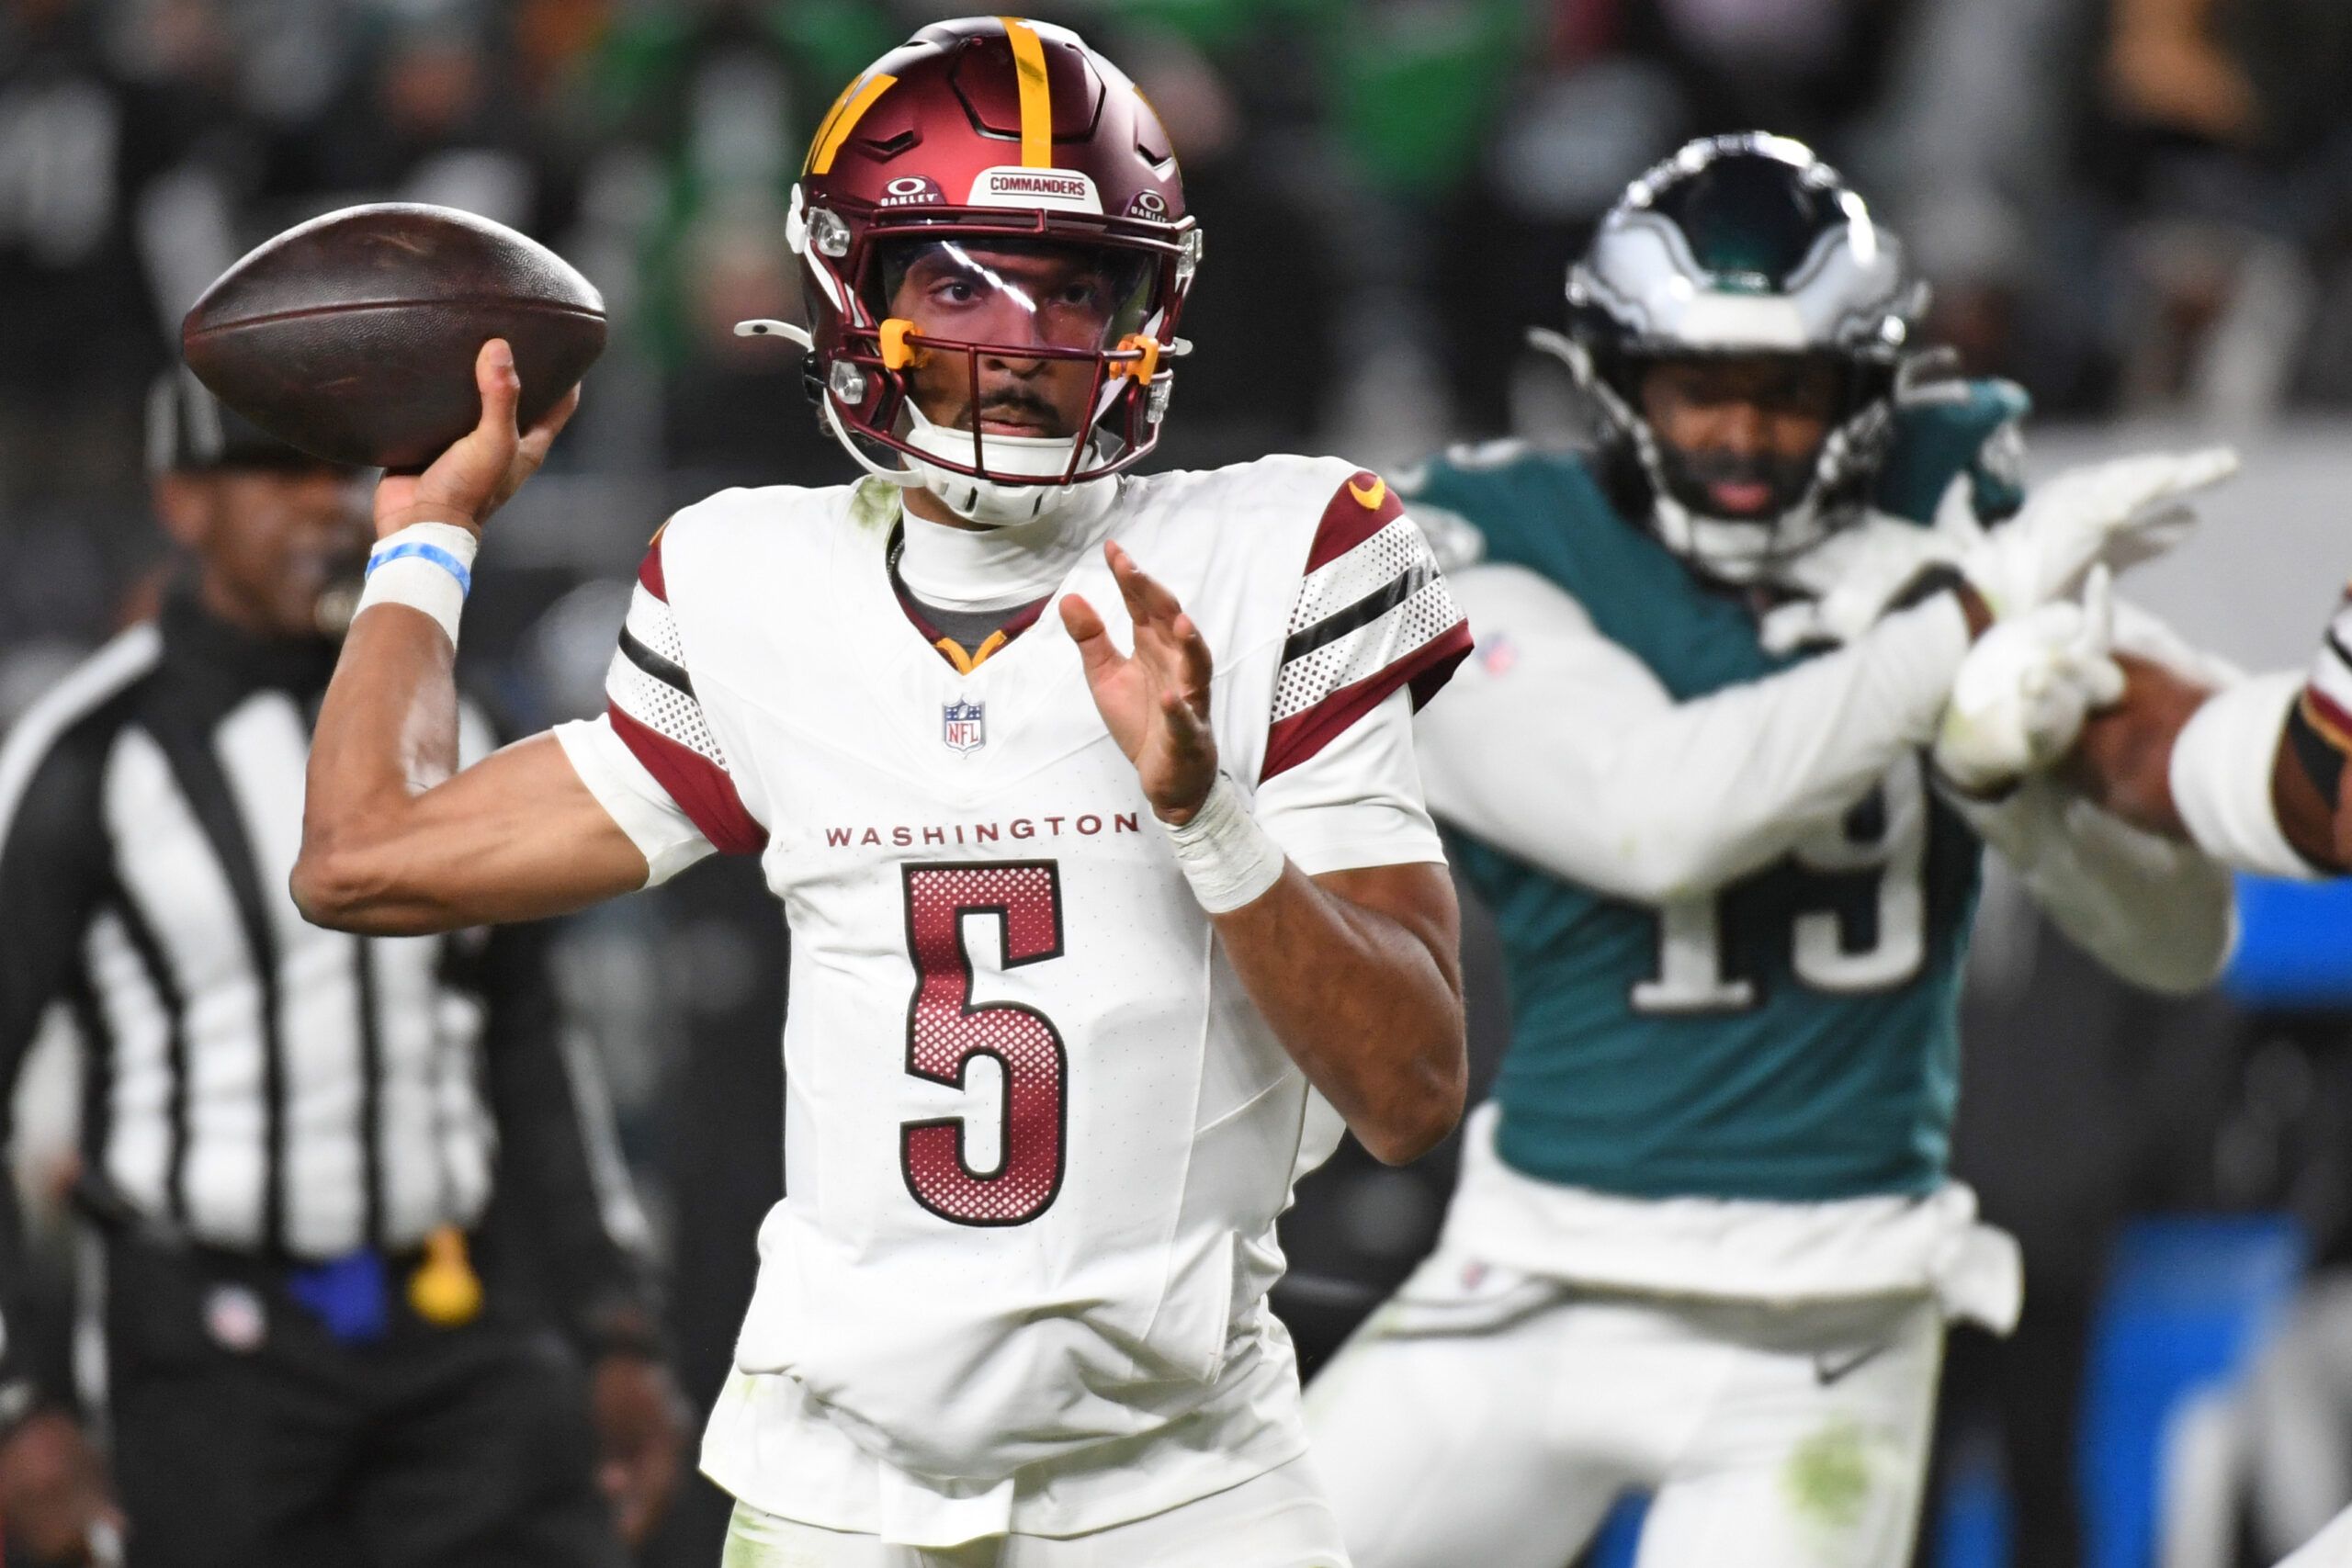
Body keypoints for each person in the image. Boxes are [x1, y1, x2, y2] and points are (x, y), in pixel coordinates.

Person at [288, 17, 1473, 1566]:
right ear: (858, 291)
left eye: (1074, 285)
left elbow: (1410, 1093)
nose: (1025, 336)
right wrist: (428, 536)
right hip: (835, 1488)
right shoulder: (752, 582)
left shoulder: (1280, 554)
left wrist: (1208, 814)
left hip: (1187, 1489)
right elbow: (360, 859)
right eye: (960, 277)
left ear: (1148, 307)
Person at [1304, 131, 2352, 1568]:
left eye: (1789, 390)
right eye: (1700, 387)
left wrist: (2042, 810)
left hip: (1826, 1327)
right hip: (1529, 1276)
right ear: (1615, 381)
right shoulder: (1494, 545)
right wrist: (1958, 635)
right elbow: (1649, 817)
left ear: (1863, 386)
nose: (1742, 436)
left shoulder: (1949, 546)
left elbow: (2197, 919)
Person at [0, 373, 684, 1567]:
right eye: (282, 472)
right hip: (209, 1360)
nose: (327, 508)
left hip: (461, 1324)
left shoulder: (454, 710)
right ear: (183, 501)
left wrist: (612, 1323)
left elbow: (529, 1038)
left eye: (349, 475)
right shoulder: (87, 755)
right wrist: (25, 1397)